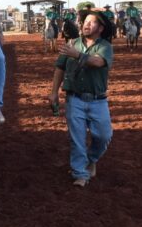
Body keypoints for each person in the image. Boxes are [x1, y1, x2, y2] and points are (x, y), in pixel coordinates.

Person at [49, 11, 114, 187]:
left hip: (98, 100)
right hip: (74, 99)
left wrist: (76, 54)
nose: (86, 25)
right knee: (77, 138)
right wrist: (54, 92)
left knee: (104, 136)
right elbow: (59, 68)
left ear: (100, 28)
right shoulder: (72, 44)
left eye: (91, 23)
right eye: (85, 21)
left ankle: (90, 159)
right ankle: (80, 174)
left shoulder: (105, 46)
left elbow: (98, 62)